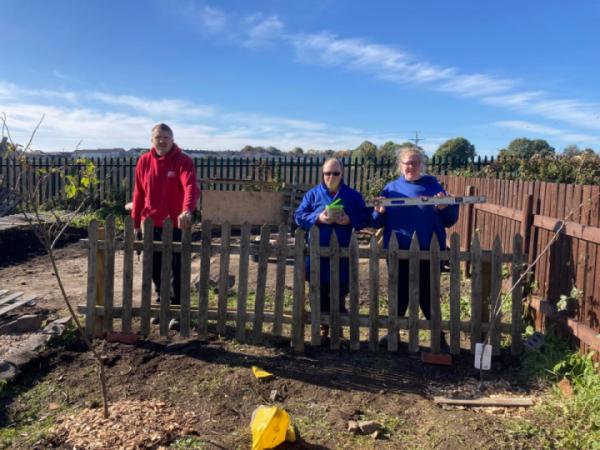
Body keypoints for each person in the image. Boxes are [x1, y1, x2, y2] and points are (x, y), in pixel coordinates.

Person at [371, 144, 458, 351]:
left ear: (422, 165)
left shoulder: (434, 187)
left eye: (415, 163)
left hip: (429, 252)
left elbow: (450, 219)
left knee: (428, 296)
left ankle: (439, 338)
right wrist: (380, 211)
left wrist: (444, 206)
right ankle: (393, 335)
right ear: (400, 165)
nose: (411, 166)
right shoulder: (391, 188)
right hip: (398, 251)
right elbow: (375, 221)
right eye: (407, 163)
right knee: (399, 295)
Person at [131, 123, 200, 331]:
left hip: (177, 223)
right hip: (151, 224)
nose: (162, 141)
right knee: (155, 267)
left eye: (166, 137)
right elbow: (138, 194)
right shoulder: (144, 161)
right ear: (152, 140)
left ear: (172, 139)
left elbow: (190, 187)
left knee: (177, 268)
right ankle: (162, 306)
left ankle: (178, 311)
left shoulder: (183, 161)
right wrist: (136, 224)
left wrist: (187, 209)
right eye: (158, 137)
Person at [294, 158, 369, 341]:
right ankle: (323, 327)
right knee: (317, 291)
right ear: (323, 174)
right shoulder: (312, 195)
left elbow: (365, 216)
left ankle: (338, 327)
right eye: (328, 173)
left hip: (342, 254)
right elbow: (298, 216)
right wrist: (318, 218)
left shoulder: (353, 195)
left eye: (335, 173)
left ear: (342, 174)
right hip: (317, 253)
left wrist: (350, 220)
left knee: (340, 290)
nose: (331, 176)